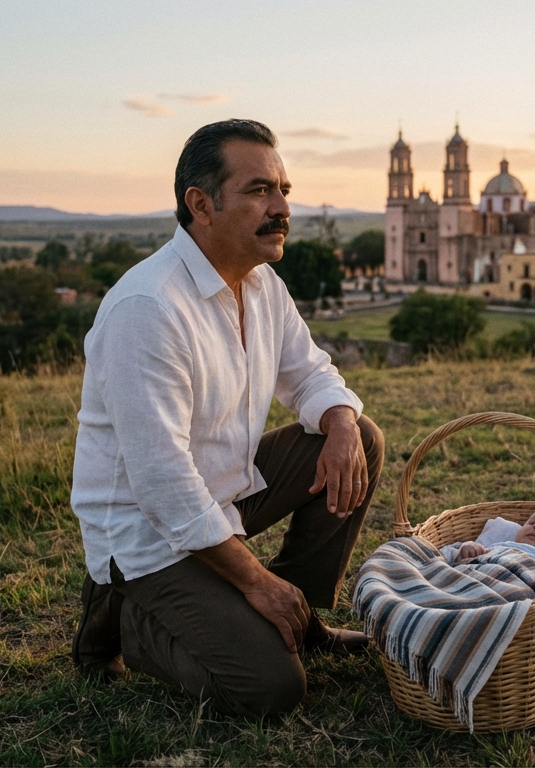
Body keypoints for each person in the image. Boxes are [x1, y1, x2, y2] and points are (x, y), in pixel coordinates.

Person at [70, 119, 385, 717]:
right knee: (270, 690)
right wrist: (254, 582)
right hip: (150, 531)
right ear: (200, 204)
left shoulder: (262, 283)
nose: (281, 207)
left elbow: (311, 372)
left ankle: (300, 619)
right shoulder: (148, 308)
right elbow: (163, 485)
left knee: (359, 436)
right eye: (259, 190)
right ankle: (124, 617)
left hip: (222, 494)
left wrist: (341, 423)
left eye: (284, 191)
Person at [443, 507, 535, 597]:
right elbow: (468, 557)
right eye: (532, 522)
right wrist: (468, 549)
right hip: (469, 579)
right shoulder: (501, 545)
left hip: (508, 588)